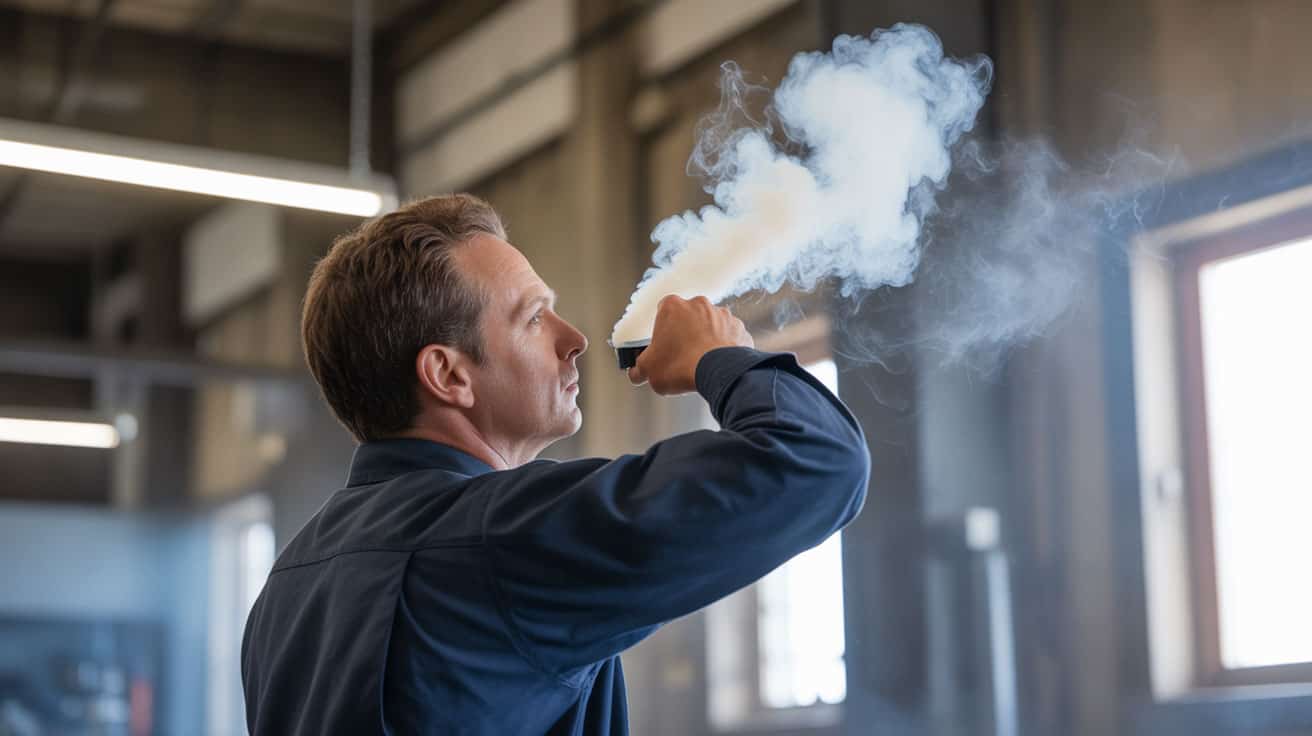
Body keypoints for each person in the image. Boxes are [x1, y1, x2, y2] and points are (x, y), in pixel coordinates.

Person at [241, 194, 870, 735]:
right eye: (534, 317)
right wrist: (721, 358)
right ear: (448, 374)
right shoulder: (498, 540)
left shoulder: (286, 588)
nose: (574, 340)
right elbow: (816, 458)